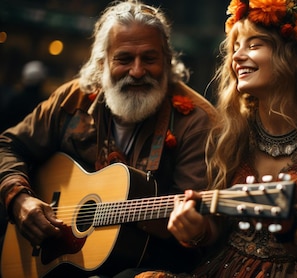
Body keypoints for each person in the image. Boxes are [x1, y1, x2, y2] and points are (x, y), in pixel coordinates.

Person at [137, 0, 297, 277]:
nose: (236, 57)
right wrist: (197, 229)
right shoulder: (232, 131)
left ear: (296, 57)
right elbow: (215, 230)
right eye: (235, 47)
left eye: (254, 44)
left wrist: (288, 228)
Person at [0, 1, 218, 277]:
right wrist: (19, 199)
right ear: (102, 62)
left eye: (149, 59)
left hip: (147, 263)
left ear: (167, 60)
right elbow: (8, 145)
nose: (137, 71)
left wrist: (194, 227)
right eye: (124, 59)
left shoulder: (196, 121)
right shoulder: (73, 99)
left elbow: (196, 228)